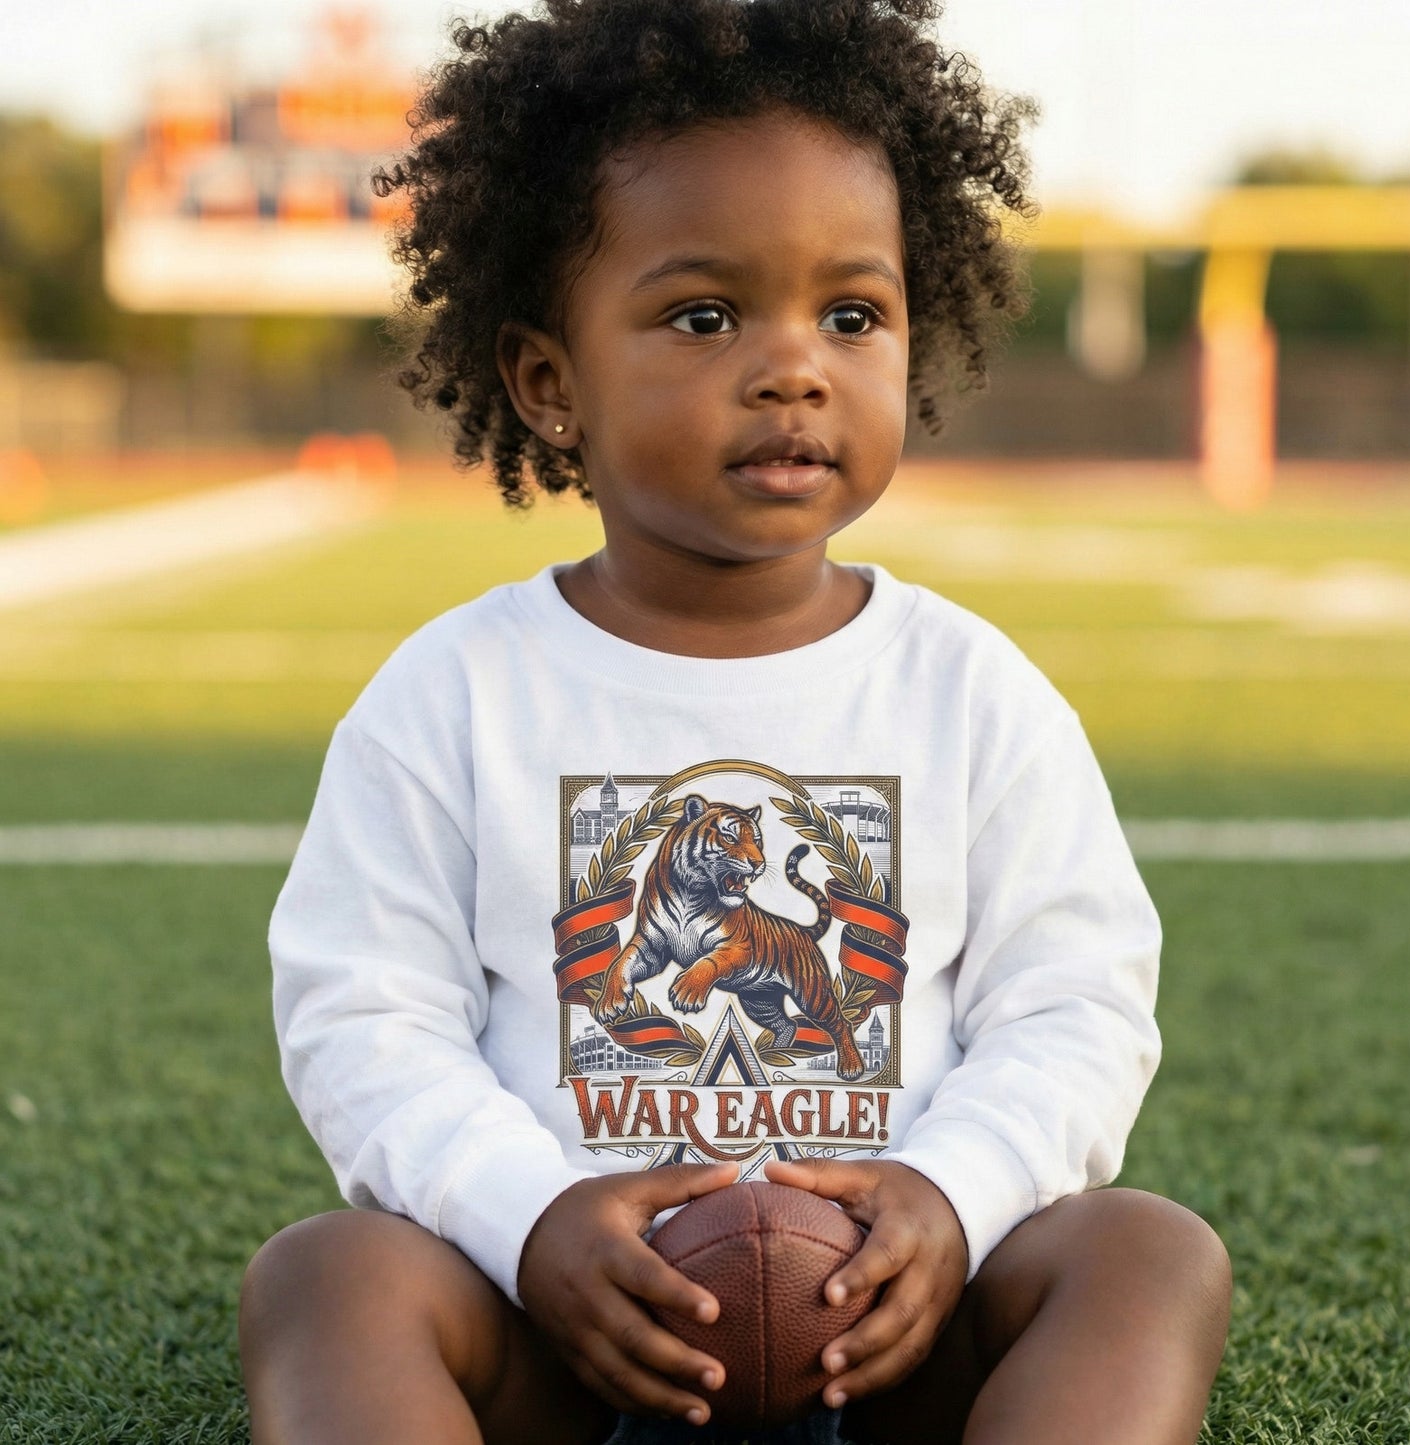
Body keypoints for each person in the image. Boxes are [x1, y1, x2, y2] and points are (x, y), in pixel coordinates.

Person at [239, 2, 1232, 1442]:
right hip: (571, 1332)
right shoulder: (454, 692)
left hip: (894, 1330)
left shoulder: (971, 689)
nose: (794, 366)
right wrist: (530, 1222)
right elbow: (364, 1012)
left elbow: (1074, 999)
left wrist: (951, 1199)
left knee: (1149, 1253)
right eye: (705, 317)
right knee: (325, 1276)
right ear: (549, 383)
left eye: (851, 315)